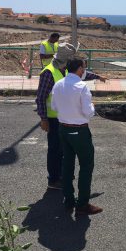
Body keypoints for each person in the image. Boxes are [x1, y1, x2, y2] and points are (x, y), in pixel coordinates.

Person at [35, 44, 106, 190]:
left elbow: (81, 75)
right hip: (53, 118)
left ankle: (63, 176)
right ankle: (53, 179)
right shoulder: (48, 73)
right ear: (66, 60)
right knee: (54, 150)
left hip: (62, 118)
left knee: (63, 150)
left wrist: (98, 77)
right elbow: (41, 98)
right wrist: (43, 119)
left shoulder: (64, 69)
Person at [51, 58, 102, 215]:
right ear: (80, 69)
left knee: (67, 164)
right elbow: (89, 112)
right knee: (86, 166)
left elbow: (53, 106)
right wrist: (93, 106)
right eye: (84, 68)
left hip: (63, 129)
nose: (84, 71)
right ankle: (83, 203)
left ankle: (68, 199)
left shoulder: (58, 84)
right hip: (79, 131)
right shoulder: (81, 87)